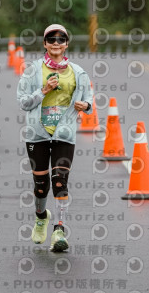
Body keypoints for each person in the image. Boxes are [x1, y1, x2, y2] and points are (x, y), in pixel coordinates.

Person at [16, 24, 94, 252]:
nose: (56, 43)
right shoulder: (32, 71)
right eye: (51, 39)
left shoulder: (78, 72)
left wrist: (85, 105)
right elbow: (22, 102)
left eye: (61, 39)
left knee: (60, 182)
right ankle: (41, 217)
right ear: (45, 44)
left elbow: (89, 102)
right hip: (37, 134)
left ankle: (60, 230)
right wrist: (44, 90)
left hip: (64, 133)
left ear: (67, 44)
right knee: (41, 186)